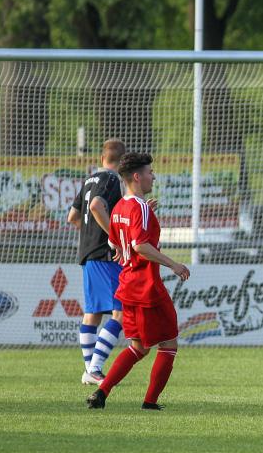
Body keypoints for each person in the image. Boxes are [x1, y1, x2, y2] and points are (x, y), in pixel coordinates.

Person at [86, 152, 190, 411]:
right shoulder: (139, 207)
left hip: (127, 286)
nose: (152, 176)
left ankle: (101, 392)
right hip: (147, 287)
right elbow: (140, 245)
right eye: (149, 172)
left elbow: (114, 243)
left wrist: (145, 215)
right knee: (169, 344)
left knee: (139, 347)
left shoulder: (121, 206)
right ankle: (150, 402)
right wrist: (174, 264)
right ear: (137, 176)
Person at [67, 139, 126, 385]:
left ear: (102, 159)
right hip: (105, 254)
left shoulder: (89, 180)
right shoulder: (113, 180)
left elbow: (72, 217)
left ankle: (90, 370)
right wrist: (112, 237)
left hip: (87, 253)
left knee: (92, 314)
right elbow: (95, 206)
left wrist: (90, 234)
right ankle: (95, 368)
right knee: (121, 312)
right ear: (122, 162)